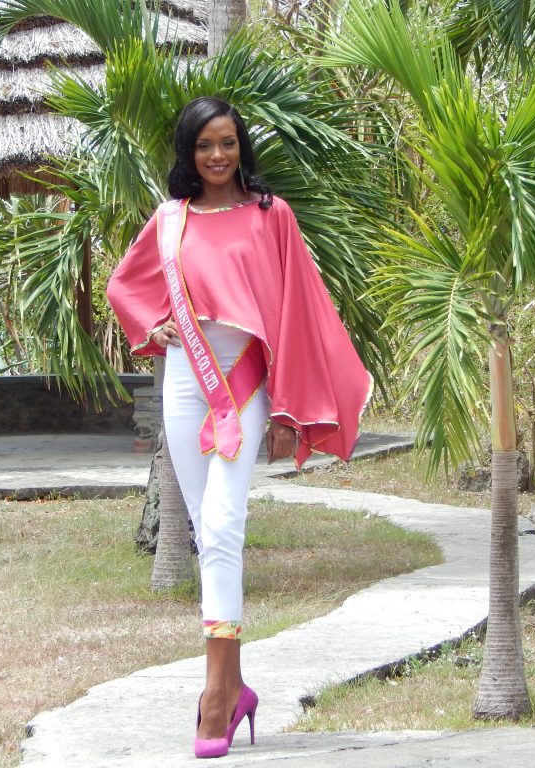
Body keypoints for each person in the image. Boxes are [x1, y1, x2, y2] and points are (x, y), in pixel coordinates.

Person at [106, 96, 372, 759]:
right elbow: (124, 287)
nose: (217, 155)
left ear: (241, 147)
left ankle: (216, 696)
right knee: (207, 531)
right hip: (183, 380)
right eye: (204, 145)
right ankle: (234, 684)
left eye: (227, 143)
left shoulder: (270, 214)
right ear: (188, 153)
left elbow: (297, 310)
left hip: (245, 379)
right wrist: (155, 325)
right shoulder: (170, 220)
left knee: (224, 525)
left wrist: (286, 407)